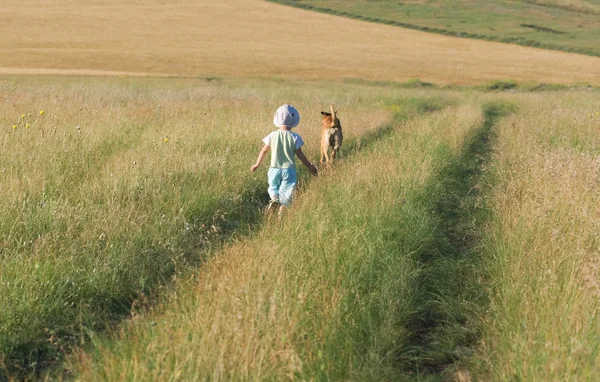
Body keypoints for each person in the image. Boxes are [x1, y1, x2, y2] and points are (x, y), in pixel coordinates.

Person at [251, 104, 318, 215]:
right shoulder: (295, 137)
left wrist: (257, 164)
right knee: (287, 192)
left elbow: (264, 151)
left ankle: (274, 198)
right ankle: (282, 209)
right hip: (289, 170)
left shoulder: (272, 135)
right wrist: (310, 166)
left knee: (273, 186)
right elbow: (300, 155)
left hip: (274, 169)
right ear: (293, 120)